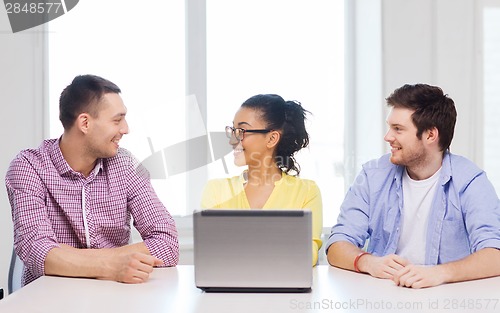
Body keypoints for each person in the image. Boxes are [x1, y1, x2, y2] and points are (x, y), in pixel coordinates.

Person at [5, 74, 179, 287]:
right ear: (85, 123)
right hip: (51, 299)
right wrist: (110, 266)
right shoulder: (28, 167)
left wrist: (68, 257)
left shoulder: (126, 165)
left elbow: (167, 242)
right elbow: (36, 250)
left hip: (116, 297)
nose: (125, 129)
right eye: (117, 120)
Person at [326, 83, 500, 288]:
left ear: (430, 135)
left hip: (447, 298)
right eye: (390, 127)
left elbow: (494, 255)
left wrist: (440, 273)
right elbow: (337, 245)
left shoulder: (471, 181)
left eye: (398, 129)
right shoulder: (372, 176)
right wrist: (367, 262)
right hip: (383, 295)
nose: (388, 137)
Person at [201, 94, 323, 265]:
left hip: (284, 289)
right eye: (232, 130)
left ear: (272, 138)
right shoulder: (216, 190)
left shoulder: (307, 191)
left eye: (241, 131)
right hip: (229, 291)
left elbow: (308, 254)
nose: (232, 140)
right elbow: (212, 253)